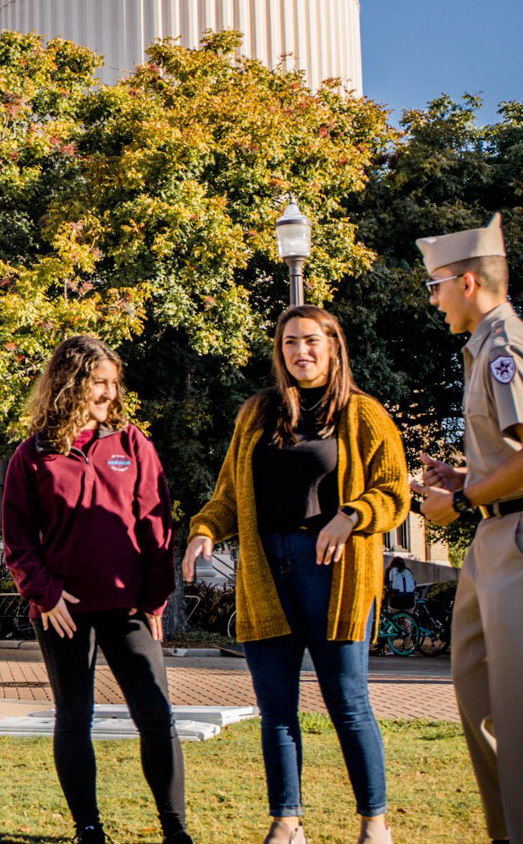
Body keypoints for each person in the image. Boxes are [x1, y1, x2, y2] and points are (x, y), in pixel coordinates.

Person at [181, 305, 410, 844]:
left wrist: (350, 516)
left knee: (348, 703)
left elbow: (394, 491)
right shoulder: (257, 413)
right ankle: (287, 821)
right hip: (266, 573)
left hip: (336, 577)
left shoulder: (364, 413)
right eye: (289, 343)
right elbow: (230, 495)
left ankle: (374, 821)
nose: (299, 352)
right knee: (275, 710)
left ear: (333, 347)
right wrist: (205, 531)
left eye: (310, 341)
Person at [409, 213, 523, 844]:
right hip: (496, 537)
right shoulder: (485, 347)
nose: (432, 301)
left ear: (465, 283)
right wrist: (464, 479)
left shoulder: (506, 348)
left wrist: (458, 505)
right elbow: (514, 459)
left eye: (435, 287)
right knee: (481, 700)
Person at [2, 336, 190, 844]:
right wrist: (45, 594)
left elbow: (156, 522)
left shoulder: (132, 443)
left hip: (128, 606)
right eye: (99, 383)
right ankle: (89, 830)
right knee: (74, 717)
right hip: (63, 610)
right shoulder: (32, 454)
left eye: (113, 383)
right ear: (70, 383)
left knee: (155, 715)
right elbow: (17, 539)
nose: (110, 393)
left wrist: (154, 598)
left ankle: (175, 830)